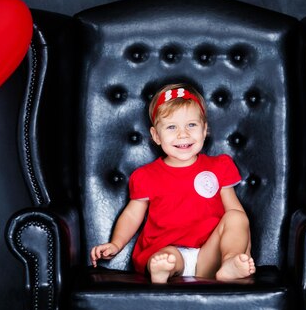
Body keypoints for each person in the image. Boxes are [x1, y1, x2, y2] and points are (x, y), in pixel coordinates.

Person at [90, 83, 256, 283]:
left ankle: (230, 263)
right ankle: (161, 272)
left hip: (210, 256)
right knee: (166, 257)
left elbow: (235, 213)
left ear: (204, 130)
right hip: (170, 252)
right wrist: (116, 244)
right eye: (171, 127)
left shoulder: (219, 166)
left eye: (191, 125)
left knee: (237, 218)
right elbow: (132, 214)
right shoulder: (146, 176)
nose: (183, 134)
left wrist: (240, 248)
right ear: (156, 136)